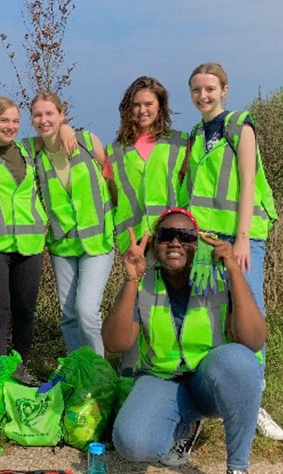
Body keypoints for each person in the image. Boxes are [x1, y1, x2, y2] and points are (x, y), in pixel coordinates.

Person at [103, 208, 265, 474]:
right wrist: (131, 278)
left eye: (186, 236)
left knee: (241, 362)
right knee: (132, 443)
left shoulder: (217, 278)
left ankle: (237, 467)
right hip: (162, 379)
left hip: (209, 380)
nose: (176, 242)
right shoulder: (144, 282)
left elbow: (254, 340)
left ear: (197, 243)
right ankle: (183, 424)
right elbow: (115, 343)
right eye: (166, 235)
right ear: (154, 244)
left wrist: (234, 271)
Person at [182, 62, 283, 441]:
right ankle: (219, 398)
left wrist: (242, 238)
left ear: (224, 90)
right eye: (196, 90)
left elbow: (247, 183)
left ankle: (252, 401)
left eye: (209, 89)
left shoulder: (240, 125)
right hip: (207, 239)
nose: (202, 95)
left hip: (242, 236)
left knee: (247, 312)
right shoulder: (196, 133)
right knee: (210, 316)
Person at [106, 76, 189, 375]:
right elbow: (114, 195)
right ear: (127, 109)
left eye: (149, 104)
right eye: (136, 105)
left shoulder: (180, 143)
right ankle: (131, 368)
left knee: (172, 301)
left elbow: (187, 187)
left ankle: (176, 363)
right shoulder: (116, 150)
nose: (142, 110)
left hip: (172, 238)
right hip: (135, 241)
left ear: (161, 107)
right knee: (136, 301)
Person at [31, 91, 115, 356]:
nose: (44, 120)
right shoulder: (34, 153)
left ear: (61, 115)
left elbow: (110, 181)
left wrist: (68, 130)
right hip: (62, 244)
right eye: (37, 115)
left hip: (97, 240)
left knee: (86, 310)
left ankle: (99, 371)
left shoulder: (88, 141)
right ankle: (78, 369)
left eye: (49, 114)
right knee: (68, 315)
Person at [0, 97, 47, 384]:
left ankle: (20, 370)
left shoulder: (28, 149)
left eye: (15, 120)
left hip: (29, 245)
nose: (10, 126)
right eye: (4, 120)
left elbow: (57, 132)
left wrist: (65, 129)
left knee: (25, 312)